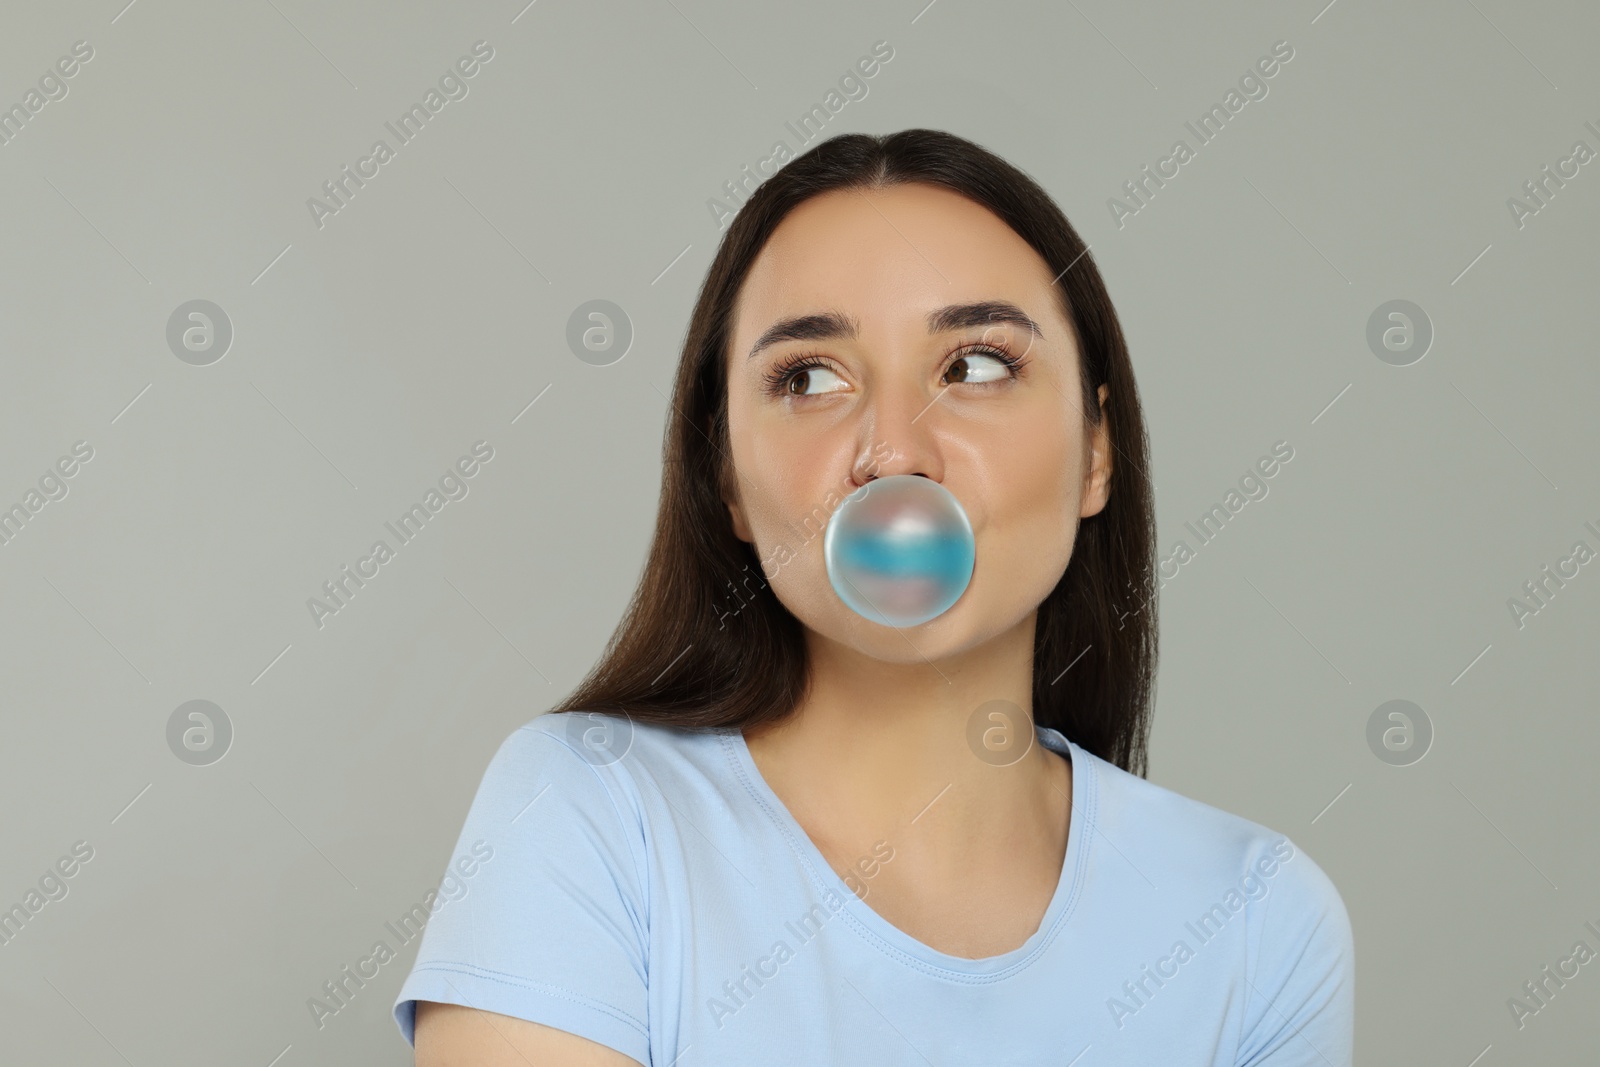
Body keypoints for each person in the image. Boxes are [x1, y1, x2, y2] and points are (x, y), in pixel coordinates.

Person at [394, 128, 1354, 1065]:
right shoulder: (590, 810)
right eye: (809, 378)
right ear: (725, 474)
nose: (894, 451)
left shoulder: (1255, 916)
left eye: (976, 366)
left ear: (1097, 450)